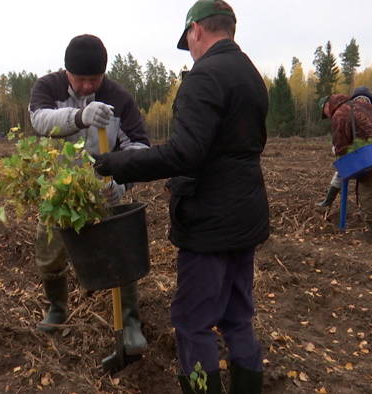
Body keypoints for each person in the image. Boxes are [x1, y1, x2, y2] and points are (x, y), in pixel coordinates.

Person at [93, 1, 268, 393]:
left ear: (196, 31)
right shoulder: (250, 75)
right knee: (238, 316)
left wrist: (116, 164)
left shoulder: (204, 77)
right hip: (247, 215)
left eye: (187, 41)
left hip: (210, 223)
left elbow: (185, 152)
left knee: (192, 319)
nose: (189, 48)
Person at [27, 35, 150, 355]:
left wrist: (120, 183)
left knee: (121, 256)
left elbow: (140, 147)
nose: (85, 86)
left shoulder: (119, 98)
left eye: (93, 79)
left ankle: (131, 322)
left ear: (103, 74)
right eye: (79, 79)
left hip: (104, 192)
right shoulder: (48, 88)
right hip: (60, 192)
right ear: (67, 72)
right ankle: (57, 307)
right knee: (49, 254)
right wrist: (79, 116)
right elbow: (40, 121)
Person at [321, 87, 372, 241]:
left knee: (367, 190)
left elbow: (341, 143)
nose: (328, 116)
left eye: (325, 113)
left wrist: (339, 152)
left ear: (328, 106)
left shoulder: (341, 113)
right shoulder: (359, 106)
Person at [315, 87, 372, 208]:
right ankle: (329, 200)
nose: (361, 103)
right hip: (360, 148)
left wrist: (339, 150)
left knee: (370, 185)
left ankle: (367, 211)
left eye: (364, 100)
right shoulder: (350, 111)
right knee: (341, 173)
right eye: (359, 100)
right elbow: (343, 134)